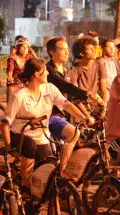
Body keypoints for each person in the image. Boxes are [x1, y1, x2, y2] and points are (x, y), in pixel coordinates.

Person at [0, 59, 89, 191]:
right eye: (45, 71)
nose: (48, 73)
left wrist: (84, 117)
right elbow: (5, 123)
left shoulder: (49, 88)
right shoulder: (19, 96)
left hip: (42, 137)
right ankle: (26, 188)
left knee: (48, 171)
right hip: (20, 135)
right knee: (30, 145)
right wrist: (9, 148)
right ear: (36, 74)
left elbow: (66, 104)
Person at [46, 37, 101, 170]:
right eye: (62, 49)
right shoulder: (47, 70)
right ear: (52, 52)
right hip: (50, 115)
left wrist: (86, 115)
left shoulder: (67, 70)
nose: (66, 52)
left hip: (66, 113)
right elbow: (64, 86)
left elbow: (71, 98)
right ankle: (61, 171)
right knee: (73, 134)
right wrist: (87, 94)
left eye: (67, 49)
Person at [69, 37, 109, 104]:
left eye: (94, 48)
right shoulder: (74, 69)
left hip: (96, 104)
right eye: (90, 49)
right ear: (81, 53)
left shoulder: (99, 65)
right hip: (81, 105)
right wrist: (86, 114)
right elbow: (75, 93)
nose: (94, 51)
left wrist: (103, 108)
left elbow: (104, 91)